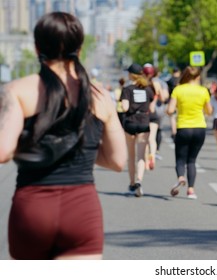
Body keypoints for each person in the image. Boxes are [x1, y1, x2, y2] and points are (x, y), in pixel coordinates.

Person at [0, 12, 127, 260]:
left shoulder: (17, 91)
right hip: (81, 210)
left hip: (32, 209)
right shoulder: (98, 94)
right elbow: (117, 161)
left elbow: (3, 151)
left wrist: (32, 145)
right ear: (79, 49)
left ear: (37, 48)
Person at [166, 66, 212, 199]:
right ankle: (191, 190)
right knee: (192, 160)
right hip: (199, 129)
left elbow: (170, 110)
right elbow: (209, 111)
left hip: (183, 128)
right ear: (198, 77)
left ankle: (181, 177)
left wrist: (171, 111)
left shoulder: (178, 90)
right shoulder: (203, 91)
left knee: (180, 159)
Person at [120, 63, 155, 197]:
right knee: (141, 156)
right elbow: (151, 108)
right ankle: (140, 180)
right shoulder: (148, 89)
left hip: (130, 123)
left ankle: (132, 183)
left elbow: (125, 107)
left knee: (131, 156)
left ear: (130, 75)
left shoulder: (127, 89)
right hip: (143, 123)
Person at [142, 63, 169, 170]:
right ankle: (152, 156)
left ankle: (145, 161)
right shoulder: (160, 83)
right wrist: (157, 95)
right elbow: (164, 98)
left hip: (144, 112)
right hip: (157, 113)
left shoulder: (142, 83)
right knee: (152, 137)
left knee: (144, 138)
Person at [166, 67, 181, 140]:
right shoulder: (181, 80)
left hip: (172, 101)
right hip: (181, 100)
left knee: (172, 117)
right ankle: (179, 130)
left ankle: (174, 132)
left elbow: (167, 91)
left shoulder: (170, 80)